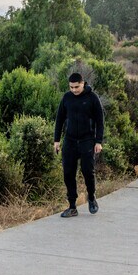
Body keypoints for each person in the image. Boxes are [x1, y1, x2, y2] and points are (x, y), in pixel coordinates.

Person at [54, 73, 104, 217]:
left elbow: (100, 121)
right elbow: (59, 119)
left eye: (77, 87)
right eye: (71, 87)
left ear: (83, 83)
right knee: (68, 173)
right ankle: (72, 206)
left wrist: (98, 141)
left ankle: (92, 197)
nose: (74, 90)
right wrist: (56, 140)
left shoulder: (92, 98)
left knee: (88, 171)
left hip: (87, 140)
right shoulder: (66, 98)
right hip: (69, 140)